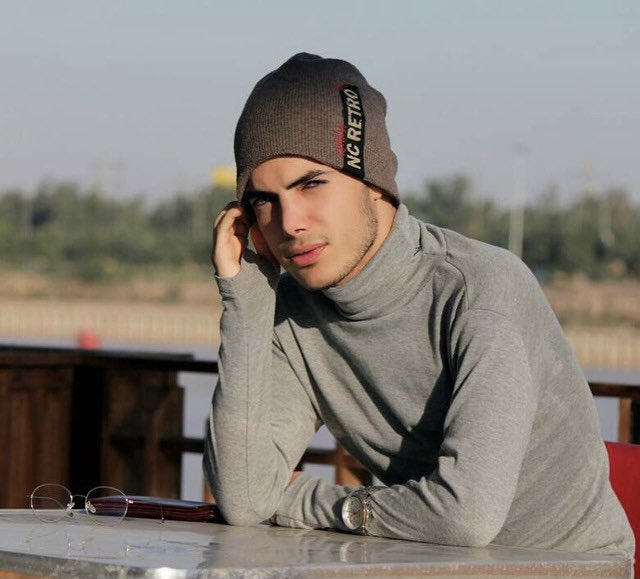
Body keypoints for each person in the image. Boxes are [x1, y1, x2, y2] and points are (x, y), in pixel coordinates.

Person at [204, 52, 634, 558]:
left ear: (374, 183)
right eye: (263, 200)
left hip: (570, 568)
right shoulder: (292, 315)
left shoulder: (481, 291)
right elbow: (245, 498)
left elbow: (464, 515)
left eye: (312, 184)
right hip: (430, 562)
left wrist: (307, 501)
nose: (290, 222)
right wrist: (248, 301)